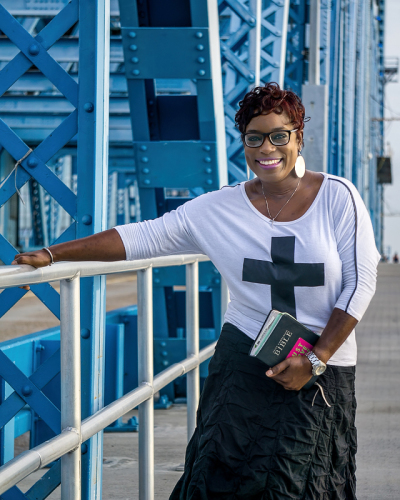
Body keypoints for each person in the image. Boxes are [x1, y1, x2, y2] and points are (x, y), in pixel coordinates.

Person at [13, 82, 380, 499]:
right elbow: (142, 237)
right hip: (245, 360)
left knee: (301, 484)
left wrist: (316, 358)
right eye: (254, 138)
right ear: (243, 142)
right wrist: (53, 252)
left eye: (280, 135)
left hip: (319, 366)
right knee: (218, 476)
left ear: (299, 137)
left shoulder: (338, 197)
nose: (267, 148)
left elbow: (361, 282)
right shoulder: (218, 208)